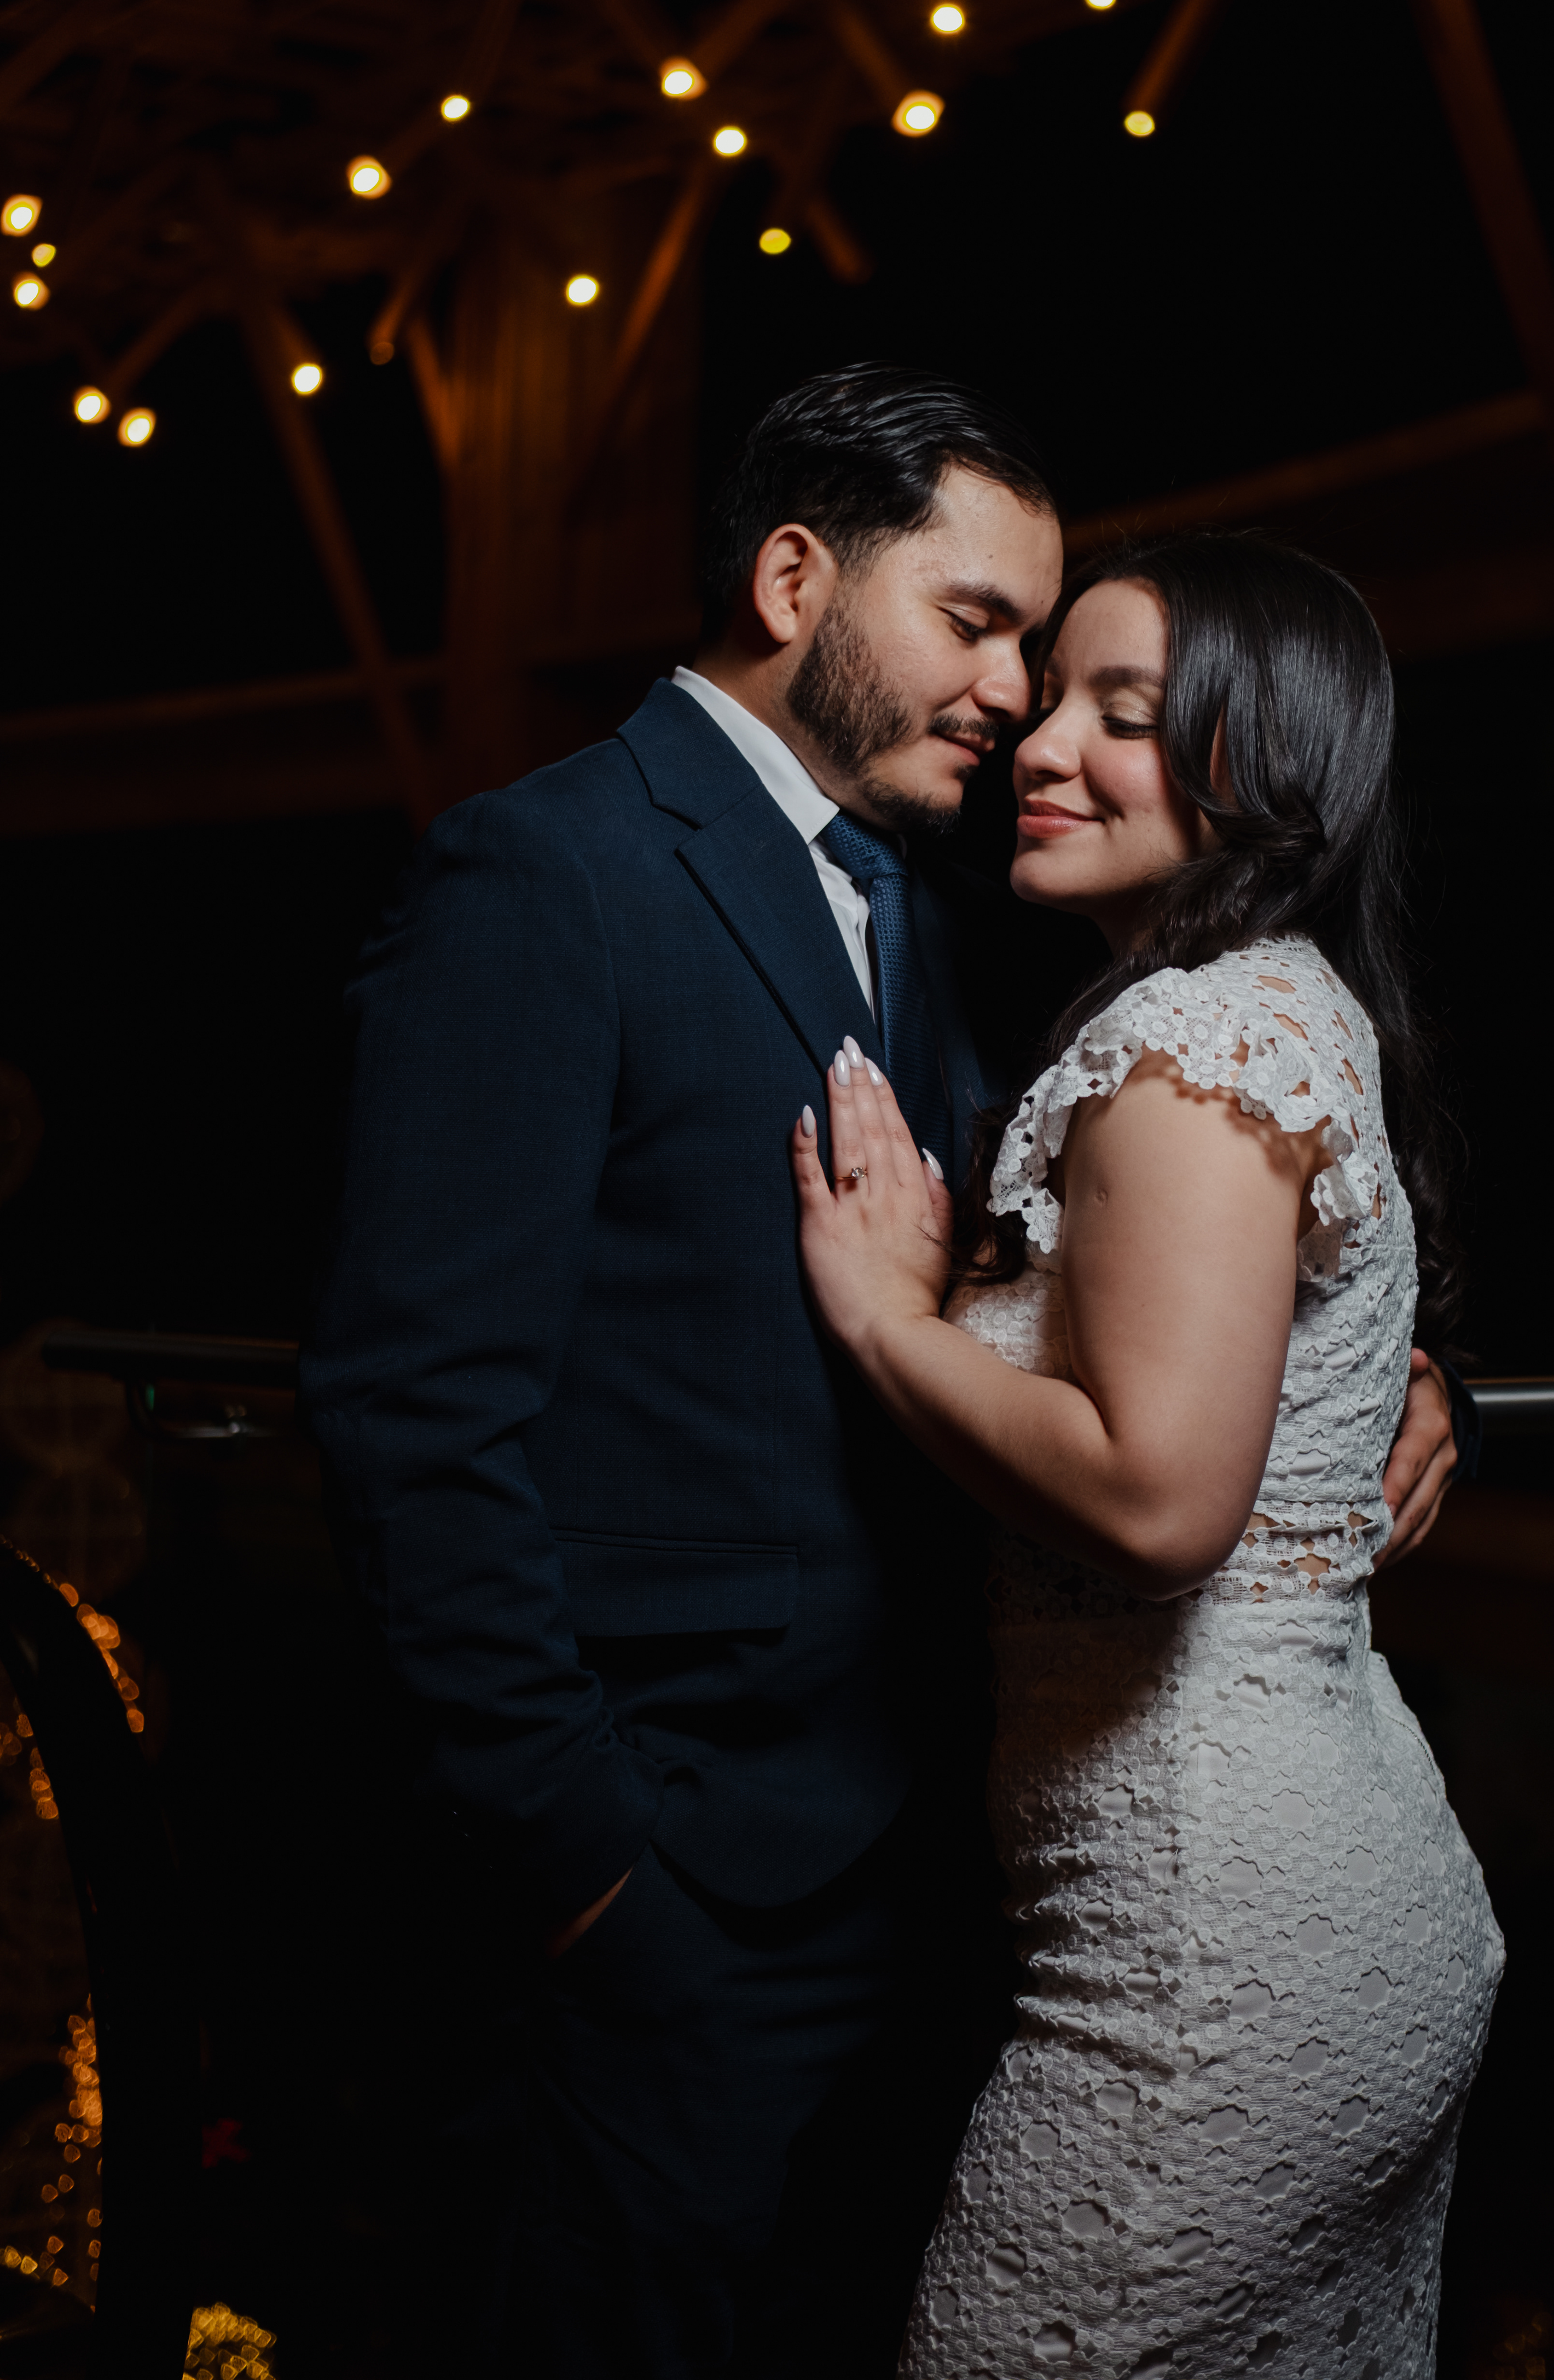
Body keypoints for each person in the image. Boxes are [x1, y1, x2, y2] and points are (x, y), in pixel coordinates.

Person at [300, 368, 1467, 2380]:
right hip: (670, 1900)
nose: (1017, 696)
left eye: (1045, 649)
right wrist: (585, 1876)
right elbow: (414, 1412)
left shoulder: (946, 910)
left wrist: (1384, 1376)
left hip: (931, 1890)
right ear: (792, 581)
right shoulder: (548, 873)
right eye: (978, 623)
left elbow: (1138, 1258)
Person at [791, 533, 1502, 2379]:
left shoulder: (1193, 1041)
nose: (1041, 743)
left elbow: (1163, 1498)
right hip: (1326, 1903)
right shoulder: (1280, 1001)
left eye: (1125, 714)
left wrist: (889, 1320)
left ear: (1259, 765)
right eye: (1056, 698)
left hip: (1213, 1966)